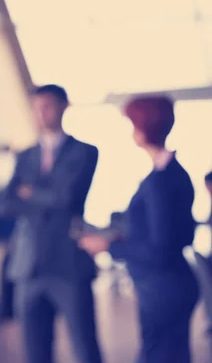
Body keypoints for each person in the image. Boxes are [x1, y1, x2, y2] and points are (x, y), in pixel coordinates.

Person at [80, 95, 199, 363]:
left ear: (143, 126)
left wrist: (108, 245)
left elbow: (160, 250)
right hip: (172, 285)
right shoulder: (173, 173)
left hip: (162, 289)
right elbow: (175, 234)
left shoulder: (160, 182)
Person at [0, 84, 102, 363]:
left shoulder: (85, 152)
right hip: (28, 267)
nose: (41, 113)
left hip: (68, 264)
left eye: (48, 106)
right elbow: (5, 203)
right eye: (36, 107)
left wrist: (29, 192)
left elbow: (67, 198)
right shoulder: (25, 155)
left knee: (85, 347)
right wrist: (43, 195)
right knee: (35, 351)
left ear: (64, 107)